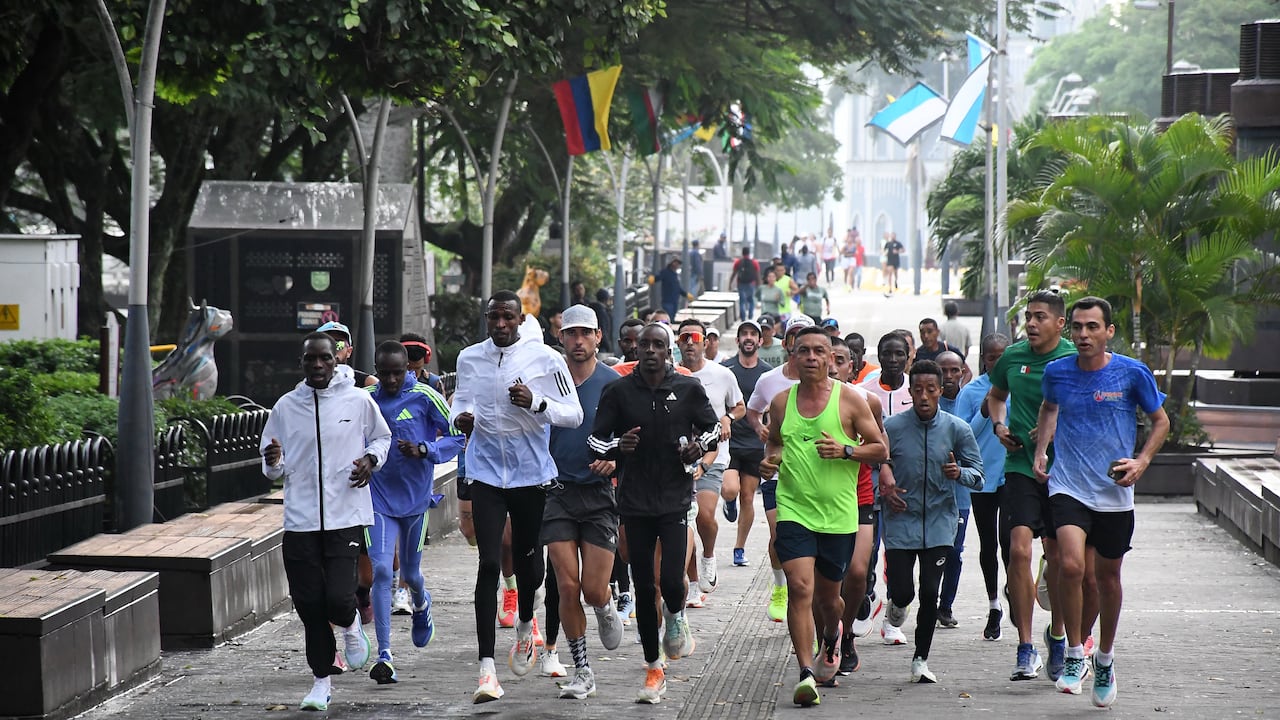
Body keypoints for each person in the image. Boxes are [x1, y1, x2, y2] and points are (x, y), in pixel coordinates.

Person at [450, 291, 584, 703]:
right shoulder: (469, 358)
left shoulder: (545, 358)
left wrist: (537, 402)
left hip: (531, 476)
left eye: (508, 317)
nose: (501, 325)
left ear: (520, 318)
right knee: (490, 562)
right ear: (486, 319)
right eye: (494, 318)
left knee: (530, 567)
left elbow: (573, 414)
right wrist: (461, 417)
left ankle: (527, 623)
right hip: (486, 473)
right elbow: (461, 399)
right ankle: (486, 671)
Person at [1033, 297, 1168, 705]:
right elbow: (1048, 408)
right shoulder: (1057, 372)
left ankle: (1104, 658)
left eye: (1092, 327)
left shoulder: (1131, 373)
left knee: (1106, 579)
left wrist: (1142, 460)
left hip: (1113, 492)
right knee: (1070, 566)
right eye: (1077, 327)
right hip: (1068, 484)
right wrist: (1041, 449)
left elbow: (1161, 420)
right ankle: (1075, 653)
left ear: (1109, 331)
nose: (1083, 334)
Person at [589, 323, 719, 704]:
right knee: (645, 587)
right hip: (633, 501)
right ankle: (652, 668)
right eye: (643, 344)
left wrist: (698, 447)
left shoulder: (688, 389)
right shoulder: (618, 392)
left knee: (673, 582)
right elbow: (595, 442)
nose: (649, 350)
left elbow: (713, 429)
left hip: (675, 498)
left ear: (669, 352)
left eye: (657, 345)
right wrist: (618, 445)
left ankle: (676, 616)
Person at [260, 333, 391, 711]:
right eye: (310, 360)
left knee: (337, 596)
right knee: (308, 603)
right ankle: (321, 681)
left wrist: (370, 459)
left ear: (336, 362)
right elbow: (273, 469)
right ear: (302, 363)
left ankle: (350, 625)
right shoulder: (286, 407)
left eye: (324, 359)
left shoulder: (358, 399)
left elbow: (382, 438)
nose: (317, 366)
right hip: (300, 519)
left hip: (345, 515)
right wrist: (272, 460)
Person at [758, 327, 887, 706]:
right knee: (800, 588)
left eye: (819, 351)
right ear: (793, 357)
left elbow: (880, 449)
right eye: (804, 351)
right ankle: (805, 672)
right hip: (794, 509)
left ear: (831, 358)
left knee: (831, 601)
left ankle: (832, 636)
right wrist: (770, 461)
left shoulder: (851, 401)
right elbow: (776, 441)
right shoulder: (781, 402)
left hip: (839, 515)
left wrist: (847, 451)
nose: (811, 358)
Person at [984, 289, 1077, 682]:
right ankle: (1025, 648)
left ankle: (1057, 635)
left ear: (1060, 323)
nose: (1032, 323)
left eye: (1041, 317)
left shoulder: (1074, 358)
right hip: (1020, 465)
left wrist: (1055, 428)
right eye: (1029, 317)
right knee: (1018, 552)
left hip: (1064, 472)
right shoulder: (1013, 356)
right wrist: (1000, 425)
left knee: (1058, 558)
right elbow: (995, 396)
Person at [365, 341, 465, 684]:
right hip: (377, 499)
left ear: (408, 368)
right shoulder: (369, 401)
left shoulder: (424, 396)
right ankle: (384, 655)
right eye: (385, 373)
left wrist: (425, 449)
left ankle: (422, 604)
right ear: (376, 371)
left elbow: (457, 437)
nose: (391, 379)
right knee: (381, 570)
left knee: (411, 572)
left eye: (398, 372)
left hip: (415, 502)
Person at [878, 360, 984, 684]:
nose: (924, 396)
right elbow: (873, 465)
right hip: (900, 521)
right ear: (910, 392)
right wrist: (886, 487)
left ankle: (920, 660)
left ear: (941, 391)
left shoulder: (956, 429)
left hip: (940, 522)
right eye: (918, 390)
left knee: (929, 593)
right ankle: (895, 607)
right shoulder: (892, 427)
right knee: (903, 591)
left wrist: (959, 473)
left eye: (931, 390)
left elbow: (979, 476)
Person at [542, 306, 626, 700]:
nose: (578, 341)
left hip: (598, 495)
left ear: (598, 337)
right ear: (561, 337)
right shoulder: (547, 380)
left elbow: (632, 439)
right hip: (556, 493)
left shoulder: (614, 384)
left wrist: (616, 460)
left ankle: (605, 605)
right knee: (566, 584)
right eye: (570, 333)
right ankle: (582, 669)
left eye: (585, 334)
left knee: (592, 589)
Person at [745, 315, 817, 623]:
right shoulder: (769, 380)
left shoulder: (828, 385)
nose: (800, 343)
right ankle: (779, 587)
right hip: (776, 472)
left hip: (814, 475)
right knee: (779, 534)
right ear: (786, 342)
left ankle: (809, 596)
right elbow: (751, 410)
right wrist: (760, 428)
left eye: (806, 336)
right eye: (794, 336)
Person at [677, 319, 745, 607]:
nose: (689, 342)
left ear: (705, 342)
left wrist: (728, 418)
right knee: (686, 524)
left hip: (715, 455)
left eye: (694, 337)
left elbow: (739, 406)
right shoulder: (672, 375)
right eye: (683, 338)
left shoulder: (722, 374)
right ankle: (692, 585)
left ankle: (709, 555)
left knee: (704, 515)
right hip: (678, 459)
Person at [955, 333, 1012, 641]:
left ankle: (1013, 589)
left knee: (1011, 542)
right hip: (981, 477)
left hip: (1013, 475)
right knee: (988, 543)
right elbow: (961, 435)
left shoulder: (1019, 385)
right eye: (992, 357)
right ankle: (993, 605)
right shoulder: (971, 392)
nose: (997, 362)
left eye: (1003, 356)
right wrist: (983, 410)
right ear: (984, 360)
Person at [858, 332, 913, 645]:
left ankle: (895, 617)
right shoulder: (864, 392)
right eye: (886, 354)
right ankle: (866, 593)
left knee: (901, 554)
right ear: (878, 356)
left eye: (898, 354)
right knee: (867, 551)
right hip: (872, 482)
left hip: (906, 485)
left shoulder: (915, 389)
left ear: (907, 356)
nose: (893, 360)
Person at [720, 319, 774, 568]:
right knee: (731, 489)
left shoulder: (766, 373)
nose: (749, 337)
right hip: (729, 441)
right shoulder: (726, 369)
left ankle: (739, 547)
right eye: (745, 334)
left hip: (755, 443)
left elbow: (773, 406)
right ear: (738, 340)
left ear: (760, 341)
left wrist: (771, 431)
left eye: (754, 334)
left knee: (749, 497)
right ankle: (729, 501)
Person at [933, 350, 969, 629]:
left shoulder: (968, 402)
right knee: (931, 550)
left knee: (954, 551)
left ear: (962, 372)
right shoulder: (927, 402)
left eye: (954, 370)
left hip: (960, 494)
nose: (948, 376)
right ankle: (927, 600)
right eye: (942, 370)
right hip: (929, 491)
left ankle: (945, 606)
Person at [729, 246, 761, 320]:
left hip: (741, 283)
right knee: (751, 300)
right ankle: (750, 316)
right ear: (749, 253)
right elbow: (757, 274)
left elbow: (734, 273)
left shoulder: (738, 262)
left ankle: (743, 318)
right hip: (751, 283)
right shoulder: (754, 262)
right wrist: (759, 284)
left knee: (742, 301)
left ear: (742, 253)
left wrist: (730, 283)